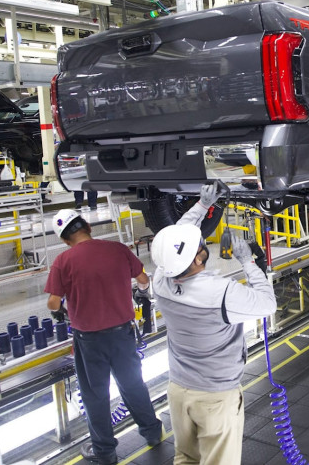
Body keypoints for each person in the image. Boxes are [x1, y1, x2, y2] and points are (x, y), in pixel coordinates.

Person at [151, 184, 276, 465]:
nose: (202, 243)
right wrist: (248, 262)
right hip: (215, 398)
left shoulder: (161, 280)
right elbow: (268, 304)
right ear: (198, 258)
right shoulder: (220, 293)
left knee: (186, 458)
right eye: (200, 245)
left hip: (179, 391)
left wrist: (203, 205)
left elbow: (177, 239)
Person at [44, 209, 163, 464]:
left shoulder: (63, 261)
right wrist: (140, 292)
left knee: (95, 395)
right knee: (132, 384)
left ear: (64, 239)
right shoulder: (117, 249)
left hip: (89, 341)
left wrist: (62, 310)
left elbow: (53, 302)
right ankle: (152, 432)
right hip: (122, 334)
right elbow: (143, 279)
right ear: (87, 226)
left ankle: (105, 451)